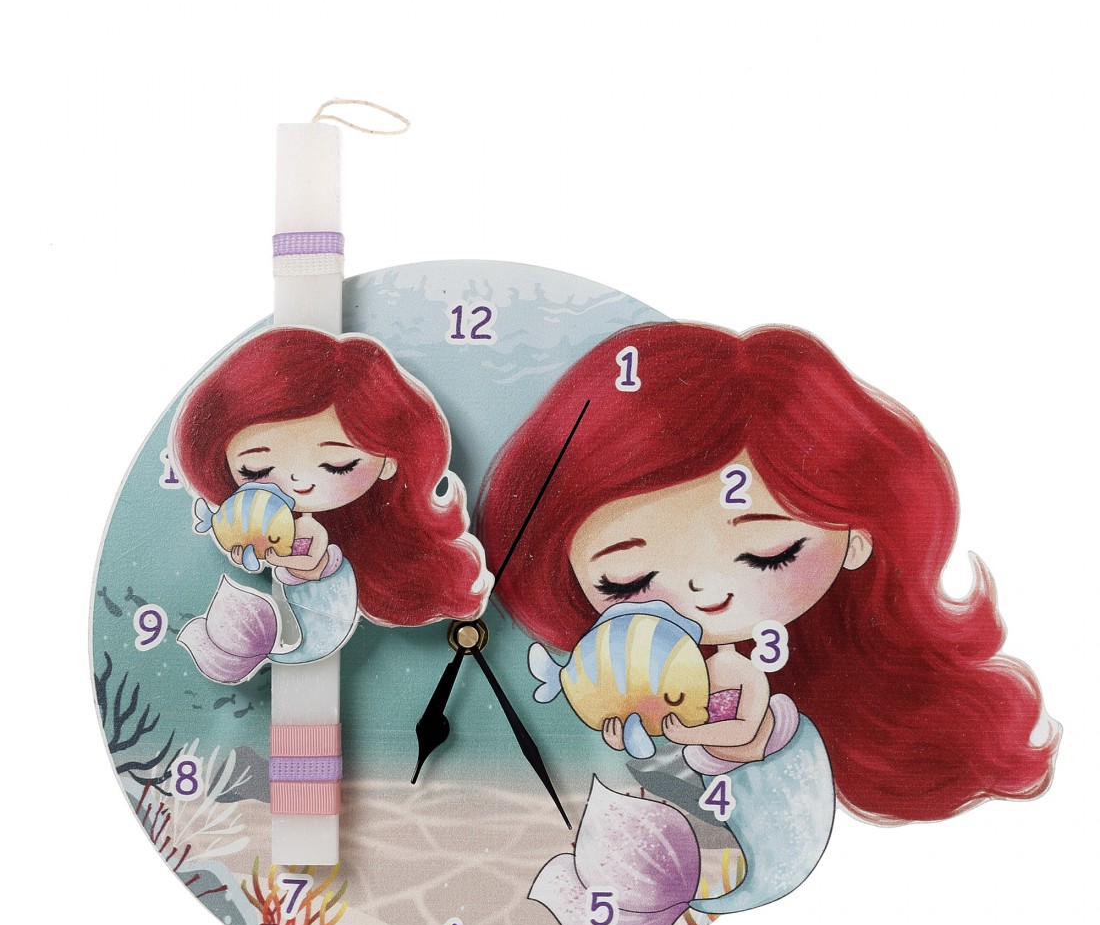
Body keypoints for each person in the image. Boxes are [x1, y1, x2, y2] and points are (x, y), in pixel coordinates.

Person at [477, 322, 1057, 825]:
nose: (705, 593)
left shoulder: (758, 681)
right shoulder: (628, 662)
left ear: (857, 536)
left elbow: (738, 731)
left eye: (768, 554)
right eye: (627, 580)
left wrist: (710, 738)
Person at [172, 327, 489, 683]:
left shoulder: (311, 530)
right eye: (256, 470)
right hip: (308, 611)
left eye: (338, 465)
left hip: (324, 604)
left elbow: (309, 561)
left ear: (389, 460)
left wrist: (275, 556)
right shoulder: (267, 519)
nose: (300, 483)